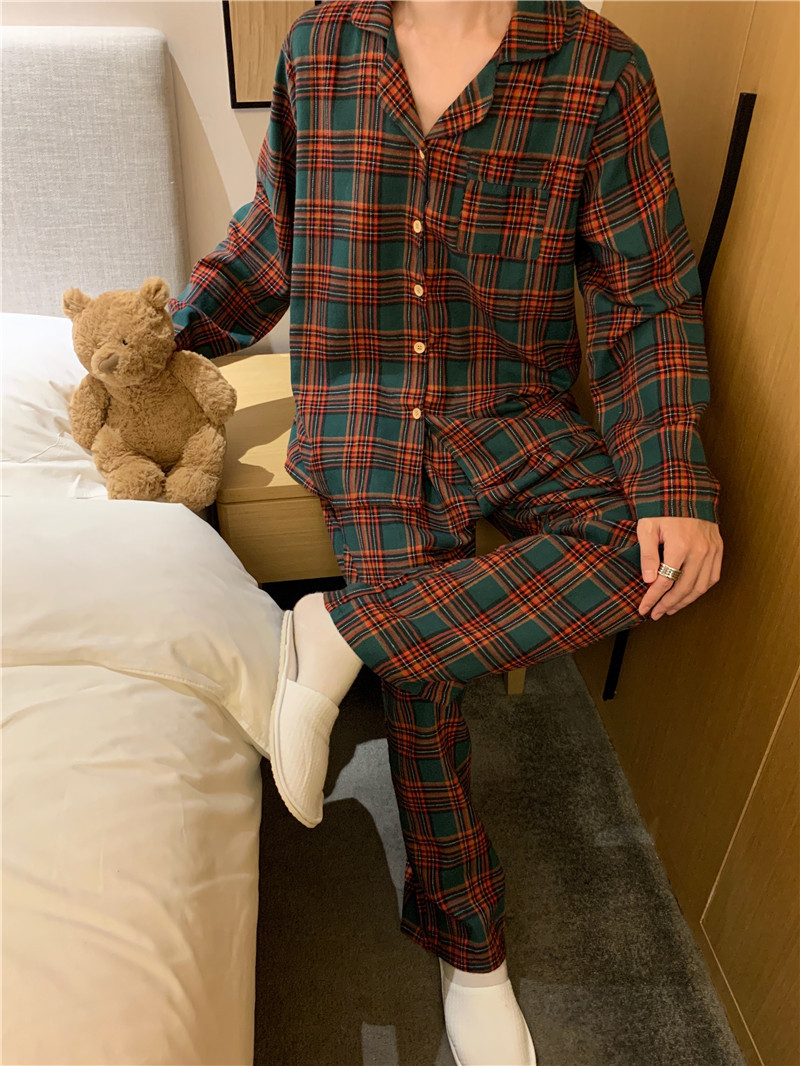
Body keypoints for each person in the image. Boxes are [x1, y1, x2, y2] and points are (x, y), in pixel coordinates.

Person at [168, 2, 724, 1062]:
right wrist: (161, 338)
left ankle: (339, 630)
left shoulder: (599, 69)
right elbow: (274, 235)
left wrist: (669, 475)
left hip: (510, 403)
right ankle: (471, 950)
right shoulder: (321, 48)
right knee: (425, 684)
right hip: (366, 408)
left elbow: (645, 295)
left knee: (653, 552)